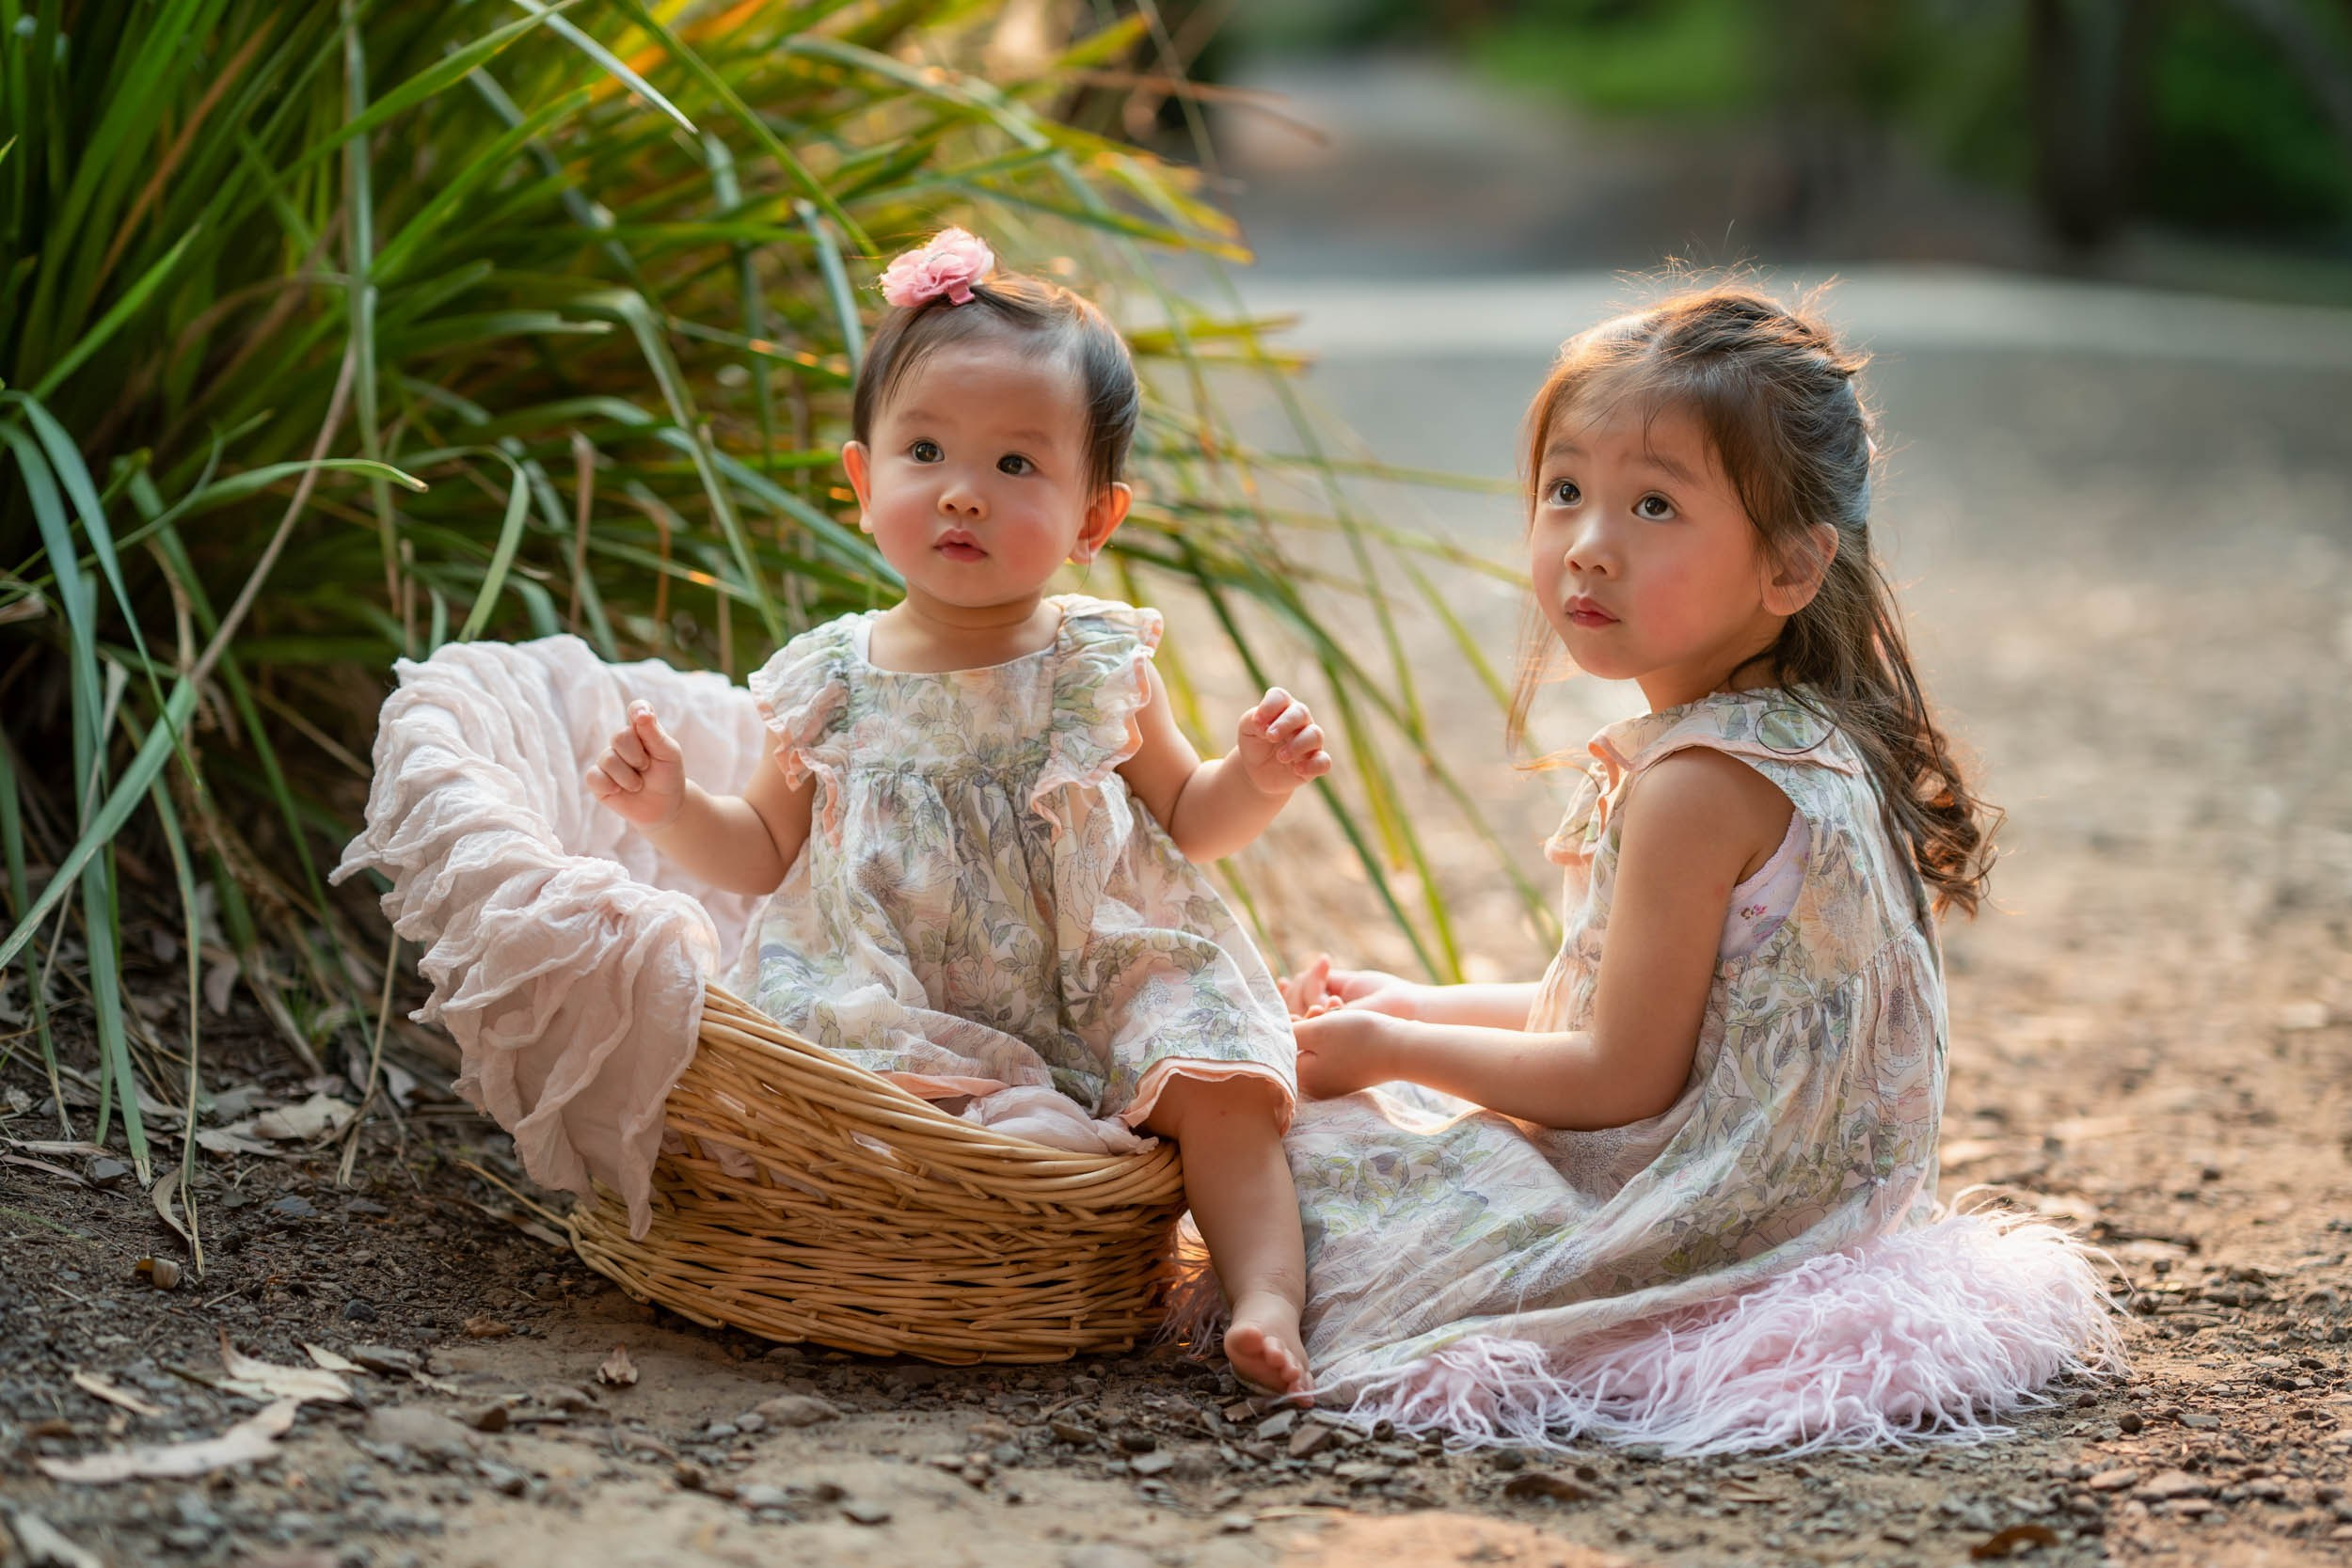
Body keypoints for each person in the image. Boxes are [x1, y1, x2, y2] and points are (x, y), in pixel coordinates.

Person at [1277, 285, 2115, 1449]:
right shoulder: (1798, 732)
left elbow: (1622, 1071)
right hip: (1806, 1198)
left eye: (1654, 504)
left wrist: (1390, 1047)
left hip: (1713, 1216)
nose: (1586, 545)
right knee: (1362, 1092)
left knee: (1313, 1154)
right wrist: (1408, 999)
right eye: (1564, 490)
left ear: (1790, 566)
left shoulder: (1697, 783)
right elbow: (1650, 1011)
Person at [584, 230, 1326, 1396]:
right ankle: (918, 1240)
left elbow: (1188, 813)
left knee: (1219, 1072)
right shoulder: (831, 673)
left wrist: (1258, 778)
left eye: (1018, 466)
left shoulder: (1095, 658)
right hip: (895, 977)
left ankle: (1267, 1291)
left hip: (1093, 968)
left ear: (1096, 515)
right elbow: (760, 846)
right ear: (862, 477)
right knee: (839, 1086)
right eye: (924, 449)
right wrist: (677, 806)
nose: (964, 489)